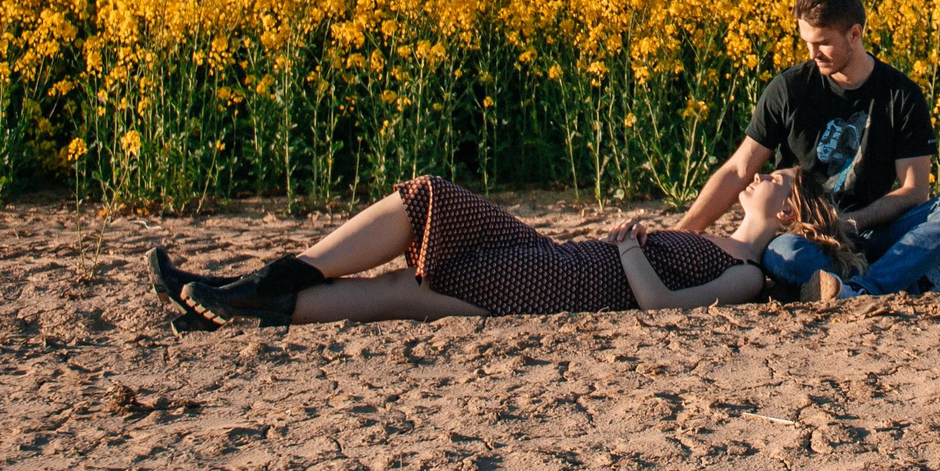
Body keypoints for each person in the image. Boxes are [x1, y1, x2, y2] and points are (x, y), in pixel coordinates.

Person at [148, 168, 799, 326]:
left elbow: (660, 309)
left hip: (564, 285)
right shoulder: (709, 237)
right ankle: (244, 291)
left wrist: (628, 249)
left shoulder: (748, 277)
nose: (765, 175)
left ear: (792, 213)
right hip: (559, 256)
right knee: (430, 201)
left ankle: (261, 289)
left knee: (403, 291)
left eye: (780, 180)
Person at [673, 0, 940, 299]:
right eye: (806, 42)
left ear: (855, 34)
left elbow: (913, 191)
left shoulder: (901, 95)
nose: (812, 54)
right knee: (784, 256)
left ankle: (863, 287)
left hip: (871, 228)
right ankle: (912, 277)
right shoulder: (789, 89)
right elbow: (739, 170)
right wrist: (680, 235)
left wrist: (849, 221)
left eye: (822, 42)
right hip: (807, 236)